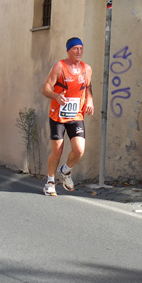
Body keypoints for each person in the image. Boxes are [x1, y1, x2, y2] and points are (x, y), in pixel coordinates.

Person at [41, 37, 94, 196]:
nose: (79, 52)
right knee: (57, 151)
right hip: (58, 115)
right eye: (75, 49)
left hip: (76, 114)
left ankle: (65, 171)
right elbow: (45, 88)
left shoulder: (87, 69)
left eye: (81, 48)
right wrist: (56, 96)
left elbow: (88, 87)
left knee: (79, 150)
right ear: (68, 50)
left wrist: (90, 100)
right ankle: (50, 181)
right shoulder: (59, 67)